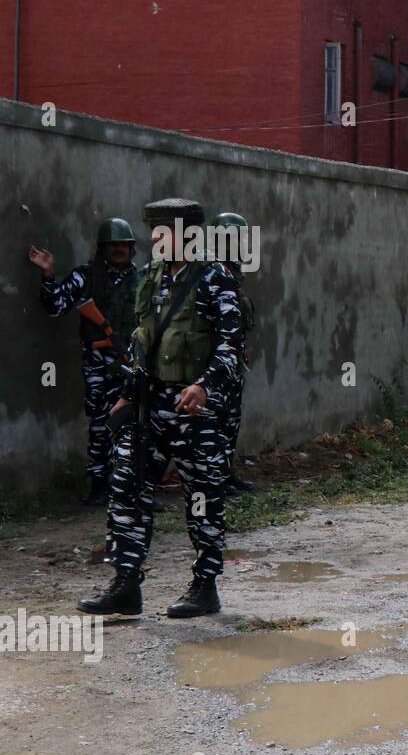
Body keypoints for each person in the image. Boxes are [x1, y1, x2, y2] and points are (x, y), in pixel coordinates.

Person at [77, 198, 243, 619]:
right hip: (149, 406)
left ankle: (205, 586)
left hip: (196, 410)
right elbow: (142, 336)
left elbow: (231, 345)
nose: (153, 239)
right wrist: (128, 389)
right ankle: (125, 584)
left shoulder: (214, 278)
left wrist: (204, 387)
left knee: (203, 496)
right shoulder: (151, 276)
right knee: (127, 487)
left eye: (161, 231)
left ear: (186, 234)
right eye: (152, 230)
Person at [29, 218, 141, 505]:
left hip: (132, 362)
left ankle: (132, 487)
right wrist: (48, 274)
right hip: (98, 363)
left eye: (123, 245)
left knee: (136, 424)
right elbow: (55, 308)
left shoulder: (144, 280)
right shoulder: (85, 276)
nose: (118, 250)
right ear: (103, 248)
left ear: (132, 248)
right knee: (101, 424)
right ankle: (100, 485)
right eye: (112, 245)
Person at [212, 212, 256, 493]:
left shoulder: (233, 270)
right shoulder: (211, 270)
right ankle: (215, 478)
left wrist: (241, 348)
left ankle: (226, 474)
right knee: (215, 420)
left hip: (233, 359)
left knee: (230, 420)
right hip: (215, 361)